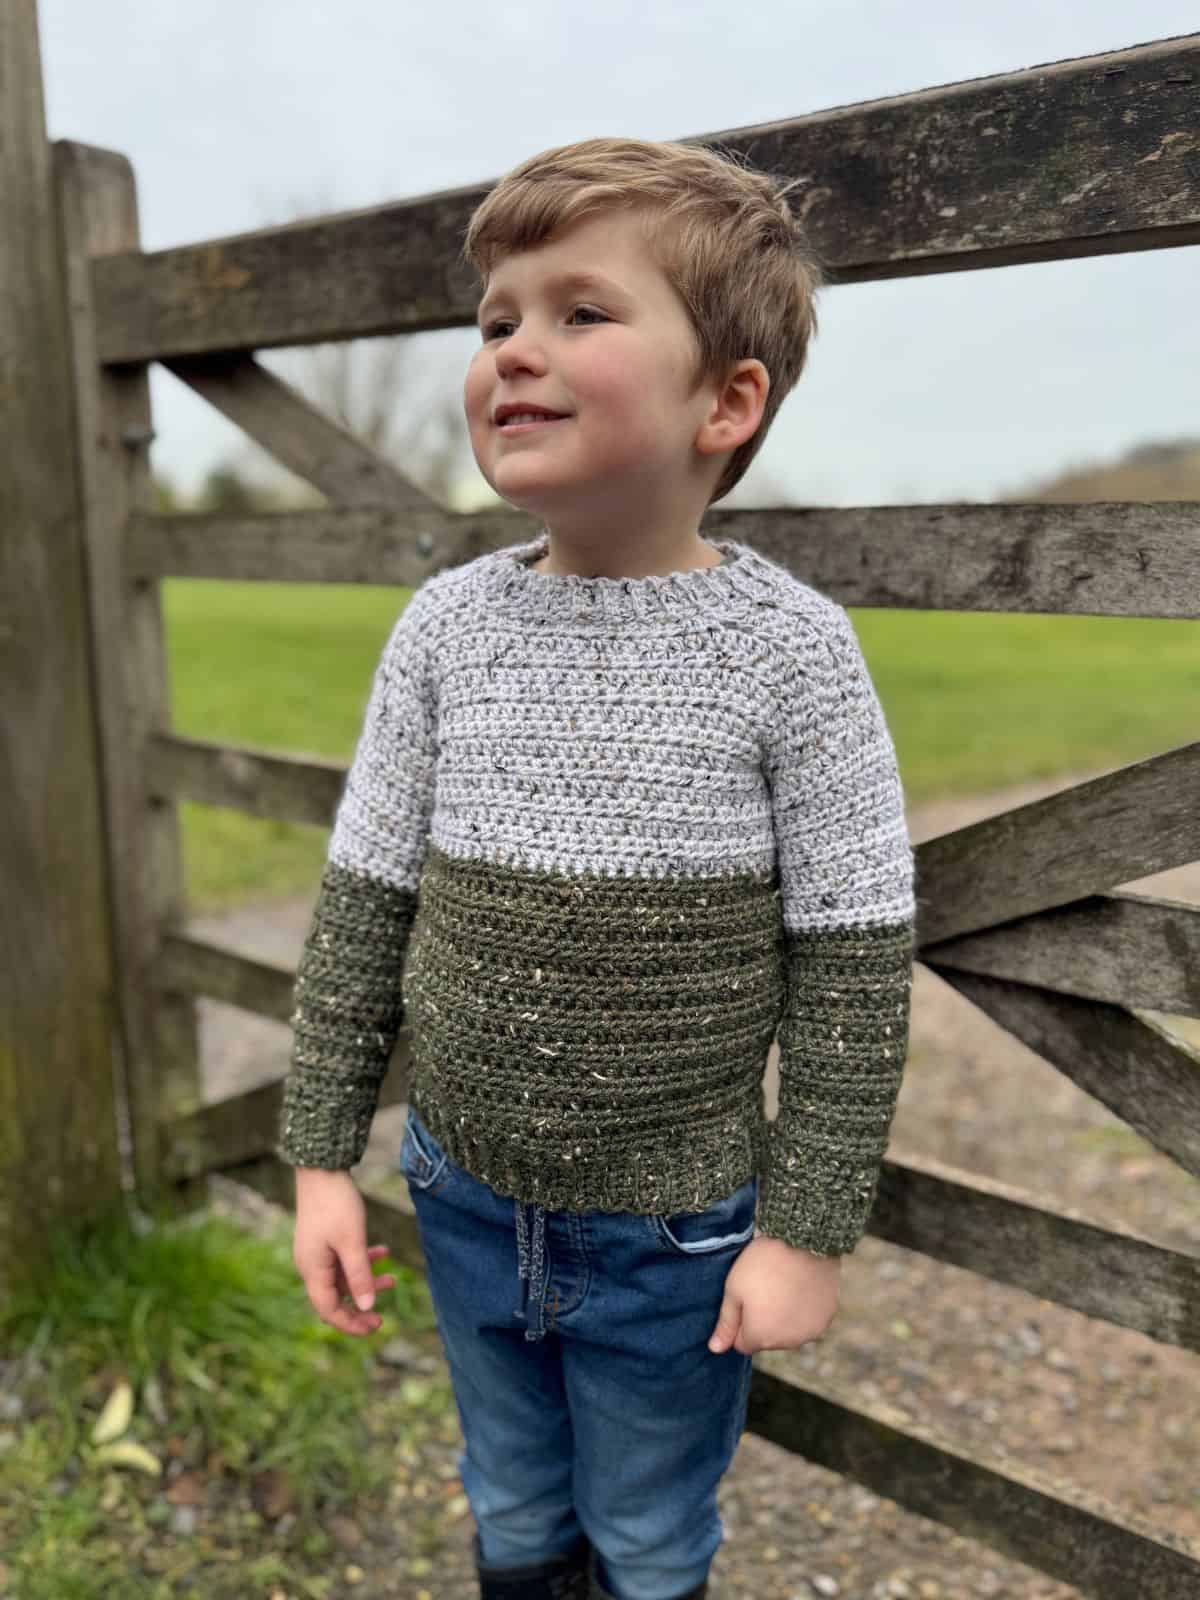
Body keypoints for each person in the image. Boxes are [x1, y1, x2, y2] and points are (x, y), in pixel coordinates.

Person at [277, 135, 917, 1600]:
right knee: (506, 1504)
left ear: (726, 400)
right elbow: (362, 914)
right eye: (496, 318)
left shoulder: (793, 656)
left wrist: (808, 1232)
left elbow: (854, 964)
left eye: (581, 312)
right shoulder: (442, 633)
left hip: (675, 1231)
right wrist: (322, 1159)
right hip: (457, 1191)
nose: (515, 349)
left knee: (644, 1530)